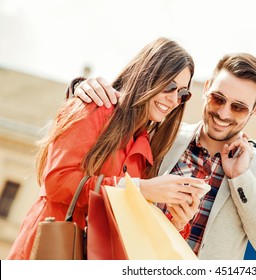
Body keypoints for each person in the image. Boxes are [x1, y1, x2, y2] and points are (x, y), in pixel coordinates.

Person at [67, 53, 256, 260]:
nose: (223, 113)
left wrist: (241, 177)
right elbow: (116, 120)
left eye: (238, 108)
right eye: (218, 98)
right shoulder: (160, 135)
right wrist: (81, 88)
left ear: (255, 110)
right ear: (206, 89)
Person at [7, 37, 205, 260]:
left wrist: (178, 222)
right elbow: (57, 181)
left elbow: (130, 227)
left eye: (182, 94)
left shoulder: (145, 149)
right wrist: (138, 188)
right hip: (51, 251)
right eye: (169, 86)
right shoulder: (95, 107)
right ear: (145, 76)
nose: (173, 99)